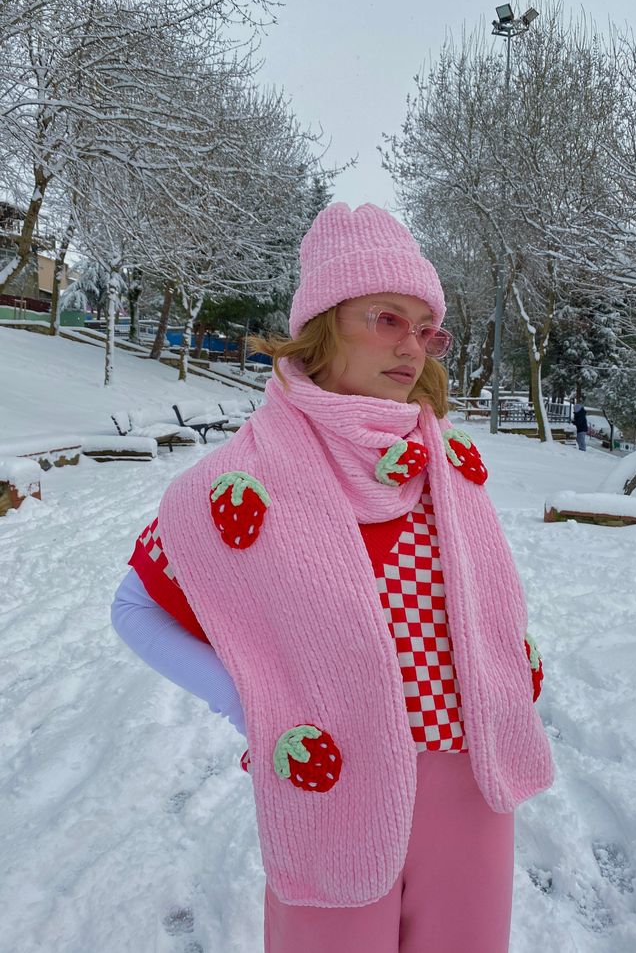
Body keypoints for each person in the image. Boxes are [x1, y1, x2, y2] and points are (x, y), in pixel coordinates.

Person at [110, 202, 554, 953]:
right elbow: (132, 608)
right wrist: (249, 700)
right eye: (386, 317)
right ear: (322, 323)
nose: (412, 345)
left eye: (425, 327)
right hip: (336, 786)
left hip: (470, 778)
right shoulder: (240, 483)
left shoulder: (442, 467)